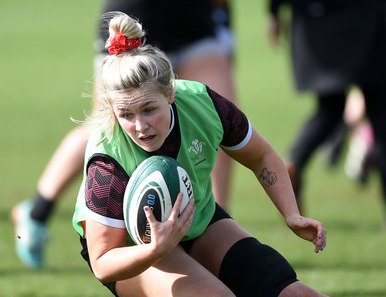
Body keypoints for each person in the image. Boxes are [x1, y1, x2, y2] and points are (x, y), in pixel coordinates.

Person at [71, 11, 328, 297]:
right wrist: (157, 248)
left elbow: (261, 157)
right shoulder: (107, 162)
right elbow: (103, 262)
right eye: (126, 114)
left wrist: (291, 214)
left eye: (149, 109)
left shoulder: (203, 105)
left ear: (170, 94)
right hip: (132, 245)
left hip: (198, 217)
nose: (140, 126)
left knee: (293, 293)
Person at [11, 0, 237, 269]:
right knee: (103, 129)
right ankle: (36, 214)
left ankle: (209, 229)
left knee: (217, 119)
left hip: (193, 25)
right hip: (132, 19)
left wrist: (225, 24)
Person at [267, 0, 386, 215]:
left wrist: (274, 11)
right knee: (380, 111)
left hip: (316, 20)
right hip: (366, 18)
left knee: (330, 107)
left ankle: (295, 160)